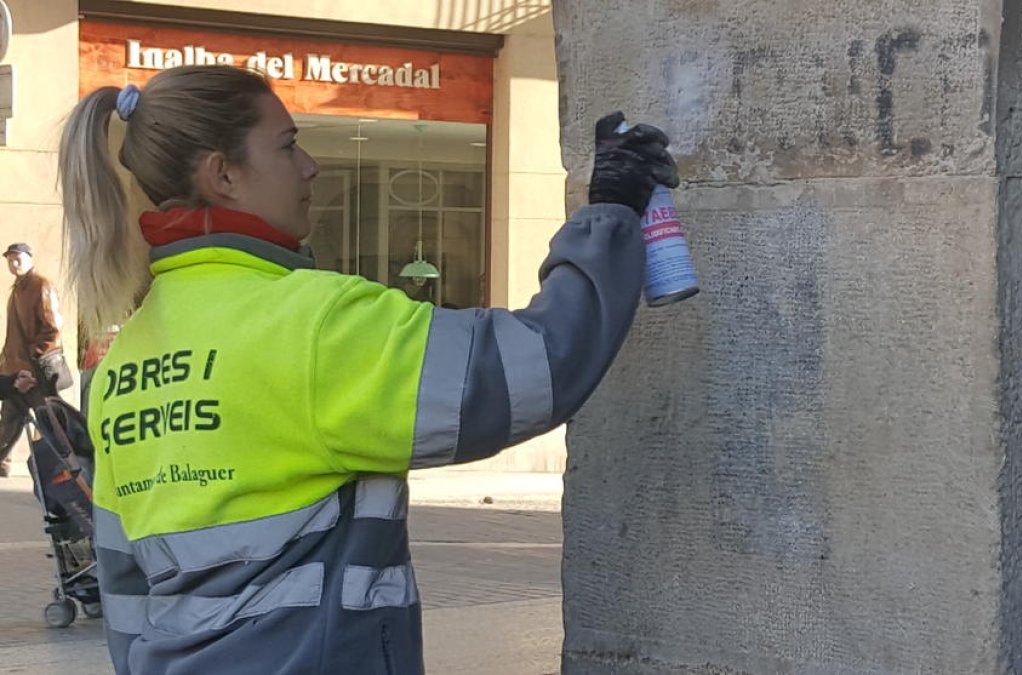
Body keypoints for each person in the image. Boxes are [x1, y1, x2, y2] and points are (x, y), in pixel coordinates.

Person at [58, 65, 677, 675]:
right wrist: (612, 212)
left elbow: (125, 592)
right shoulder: (316, 323)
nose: (310, 167)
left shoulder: (124, 361)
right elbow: (536, 367)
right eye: (287, 145)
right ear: (223, 174)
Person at [0, 243, 65, 476]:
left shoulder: (40, 286)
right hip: (15, 369)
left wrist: (34, 357)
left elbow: (53, 328)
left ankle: (64, 462)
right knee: (9, 418)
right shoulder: (17, 288)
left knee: (48, 420)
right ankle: (2, 461)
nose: (13, 263)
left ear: (29, 258)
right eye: (9, 259)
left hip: (34, 370)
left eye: (17, 259)